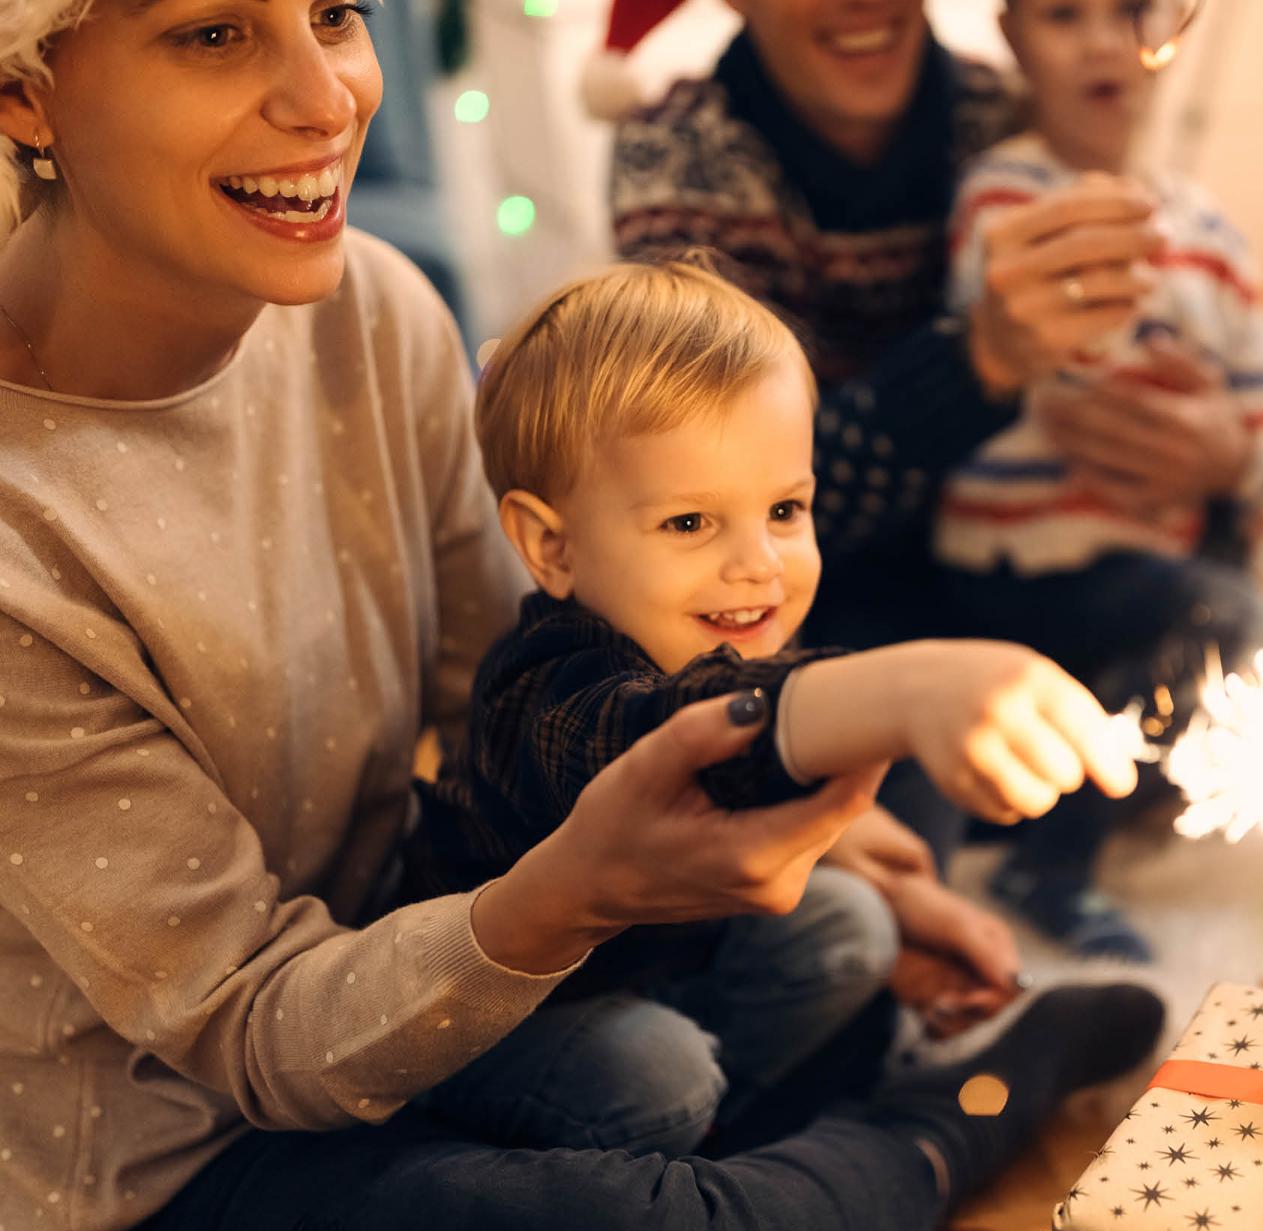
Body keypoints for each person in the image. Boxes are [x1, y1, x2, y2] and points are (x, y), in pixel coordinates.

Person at [0, 3, 1163, 1229]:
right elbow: (246, 1029)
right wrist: (586, 889)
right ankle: (952, 1118)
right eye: (214, 35)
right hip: (172, 1150)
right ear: (25, 92)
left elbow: (536, 683)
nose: (328, 98)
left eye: (335, 14)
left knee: (815, 946)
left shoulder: (367, 309)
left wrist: (804, 826)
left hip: (408, 967)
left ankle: (767, 1129)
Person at [402, 258, 1144, 1136]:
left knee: (852, 925)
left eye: (785, 511)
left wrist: (894, 878)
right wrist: (909, 687)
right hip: (499, 1029)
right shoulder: (551, 688)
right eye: (689, 522)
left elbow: (771, 747)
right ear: (550, 546)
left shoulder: (725, 631)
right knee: (653, 1067)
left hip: (675, 969)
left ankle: (755, 1125)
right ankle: (749, 1150)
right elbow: (683, 725)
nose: (760, 564)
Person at [608, 0, 1247, 864]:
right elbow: (725, 509)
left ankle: (1066, 798)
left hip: (1041, 548)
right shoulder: (682, 155)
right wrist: (977, 361)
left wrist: (1221, 452)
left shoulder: (1004, 111)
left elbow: (1211, 339)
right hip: (837, 591)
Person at [931, 0, 1263, 959]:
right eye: (1065, 16)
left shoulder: (1211, 229)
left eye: (1128, 13)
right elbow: (1063, 356)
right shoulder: (1003, 194)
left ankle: (1140, 771)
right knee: (1219, 621)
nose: (1103, 41)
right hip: (1019, 567)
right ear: (1013, 38)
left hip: (1148, 565)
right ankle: (1048, 858)